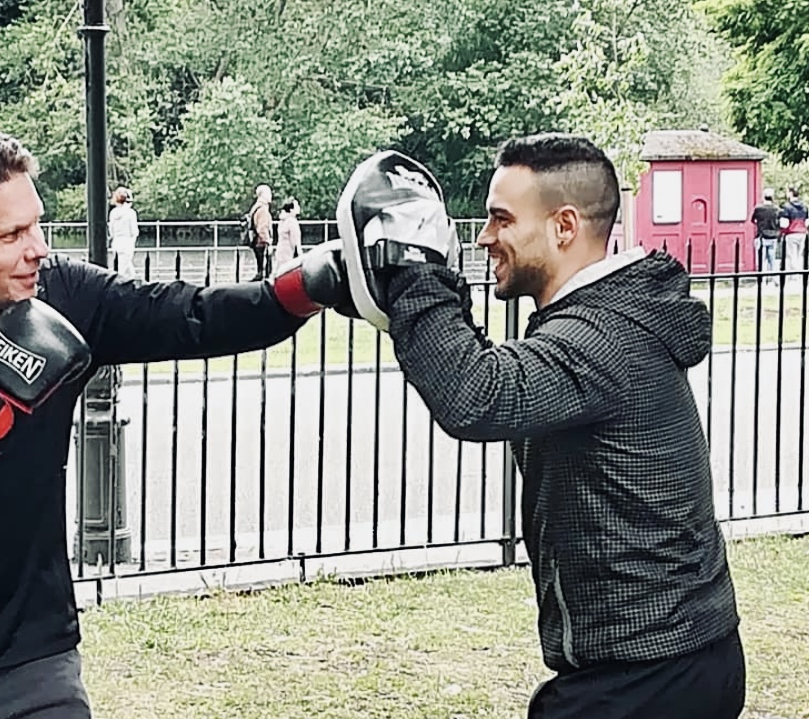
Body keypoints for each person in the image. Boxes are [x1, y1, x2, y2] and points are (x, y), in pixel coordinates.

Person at [0, 120, 349, 719]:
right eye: (11, 234)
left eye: (38, 223)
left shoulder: (58, 294)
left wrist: (308, 286)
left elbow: (190, 317)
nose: (38, 247)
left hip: (27, 659)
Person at [334, 136, 744, 719]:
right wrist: (393, 297)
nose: (484, 238)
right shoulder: (601, 319)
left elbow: (477, 395)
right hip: (679, 659)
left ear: (564, 227)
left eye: (501, 219)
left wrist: (412, 275)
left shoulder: (603, 338)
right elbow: (495, 370)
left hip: (647, 676)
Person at [108, 185, 139, 278]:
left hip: (117, 243)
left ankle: (136, 284)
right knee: (122, 272)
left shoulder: (113, 213)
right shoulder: (131, 213)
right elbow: (134, 231)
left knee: (128, 269)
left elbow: (111, 230)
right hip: (127, 244)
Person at [751, 187, 781, 277]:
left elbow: (753, 220)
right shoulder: (776, 209)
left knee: (761, 259)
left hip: (762, 236)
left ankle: (762, 279)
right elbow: (779, 222)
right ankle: (775, 278)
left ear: (764, 196)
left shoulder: (758, 208)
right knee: (772, 259)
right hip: (773, 236)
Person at [247, 184, 274, 280]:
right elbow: (262, 228)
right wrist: (268, 241)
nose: (271, 195)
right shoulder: (262, 209)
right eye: (269, 193)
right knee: (264, 271)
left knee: (261, 269)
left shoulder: (256, 207)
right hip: (261, 243)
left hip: (257, 242)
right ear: (263, 195)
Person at [779, 185, 807, 272]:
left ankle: (794, 273)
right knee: (800, 255)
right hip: (802, 233)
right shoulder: (804, 207)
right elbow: (807, 222)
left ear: (790, 194)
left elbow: (784, 224)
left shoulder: (787, 207)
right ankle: (801, 272)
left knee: (792, 255)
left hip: (791, 233)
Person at [273, 196, 302, 270]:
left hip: (281, 250)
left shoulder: (283, 220)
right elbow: (294, 241)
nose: (299, 207)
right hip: (288, 252)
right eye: (297, 206)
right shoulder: (292, 222)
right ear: (291, 209)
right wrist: (299, 254)